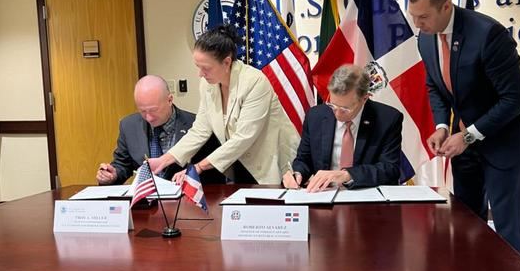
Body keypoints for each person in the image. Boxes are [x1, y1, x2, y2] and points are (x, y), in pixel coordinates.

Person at [408, 0, 520, 255]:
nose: (417, 24)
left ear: (446, 7)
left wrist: (468, 136)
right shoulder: (425, 37)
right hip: (462, 137)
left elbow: (514, 99)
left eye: (423, 16)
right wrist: (442, 125)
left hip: (505, 137)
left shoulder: (488, 35)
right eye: (414, 17)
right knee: (467, 215)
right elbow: (435, 84)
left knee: (507, 225)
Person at [148, 24, 299, 184]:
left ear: (227, 62)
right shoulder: (208, 85)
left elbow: (243, 137)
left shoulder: (254, 81)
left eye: (206, 68)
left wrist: (198, 167)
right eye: (198, 67)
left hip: (272, 163)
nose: (200, 74)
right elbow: (200, 130)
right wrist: (164, 160)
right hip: (239, 163)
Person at [283, 64, 402, 192]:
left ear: (364, 99)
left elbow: (390, 169)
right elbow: (304, 158)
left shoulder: (387, 119)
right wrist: (298, 174)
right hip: (324, 196)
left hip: (366, 198)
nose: (338, 114)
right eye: (333, 105)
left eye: (345, 109)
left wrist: (347, 175)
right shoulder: (315, 116)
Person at [96, 75, 223, 185]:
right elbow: (123, 164)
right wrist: (112, 175)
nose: (149, 117)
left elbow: (213, 172)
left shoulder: (196, 125)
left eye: (153, 110)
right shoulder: (129, 125)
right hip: (148, 204)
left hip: (187, 202)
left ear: (170, 100)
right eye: (143, 111)